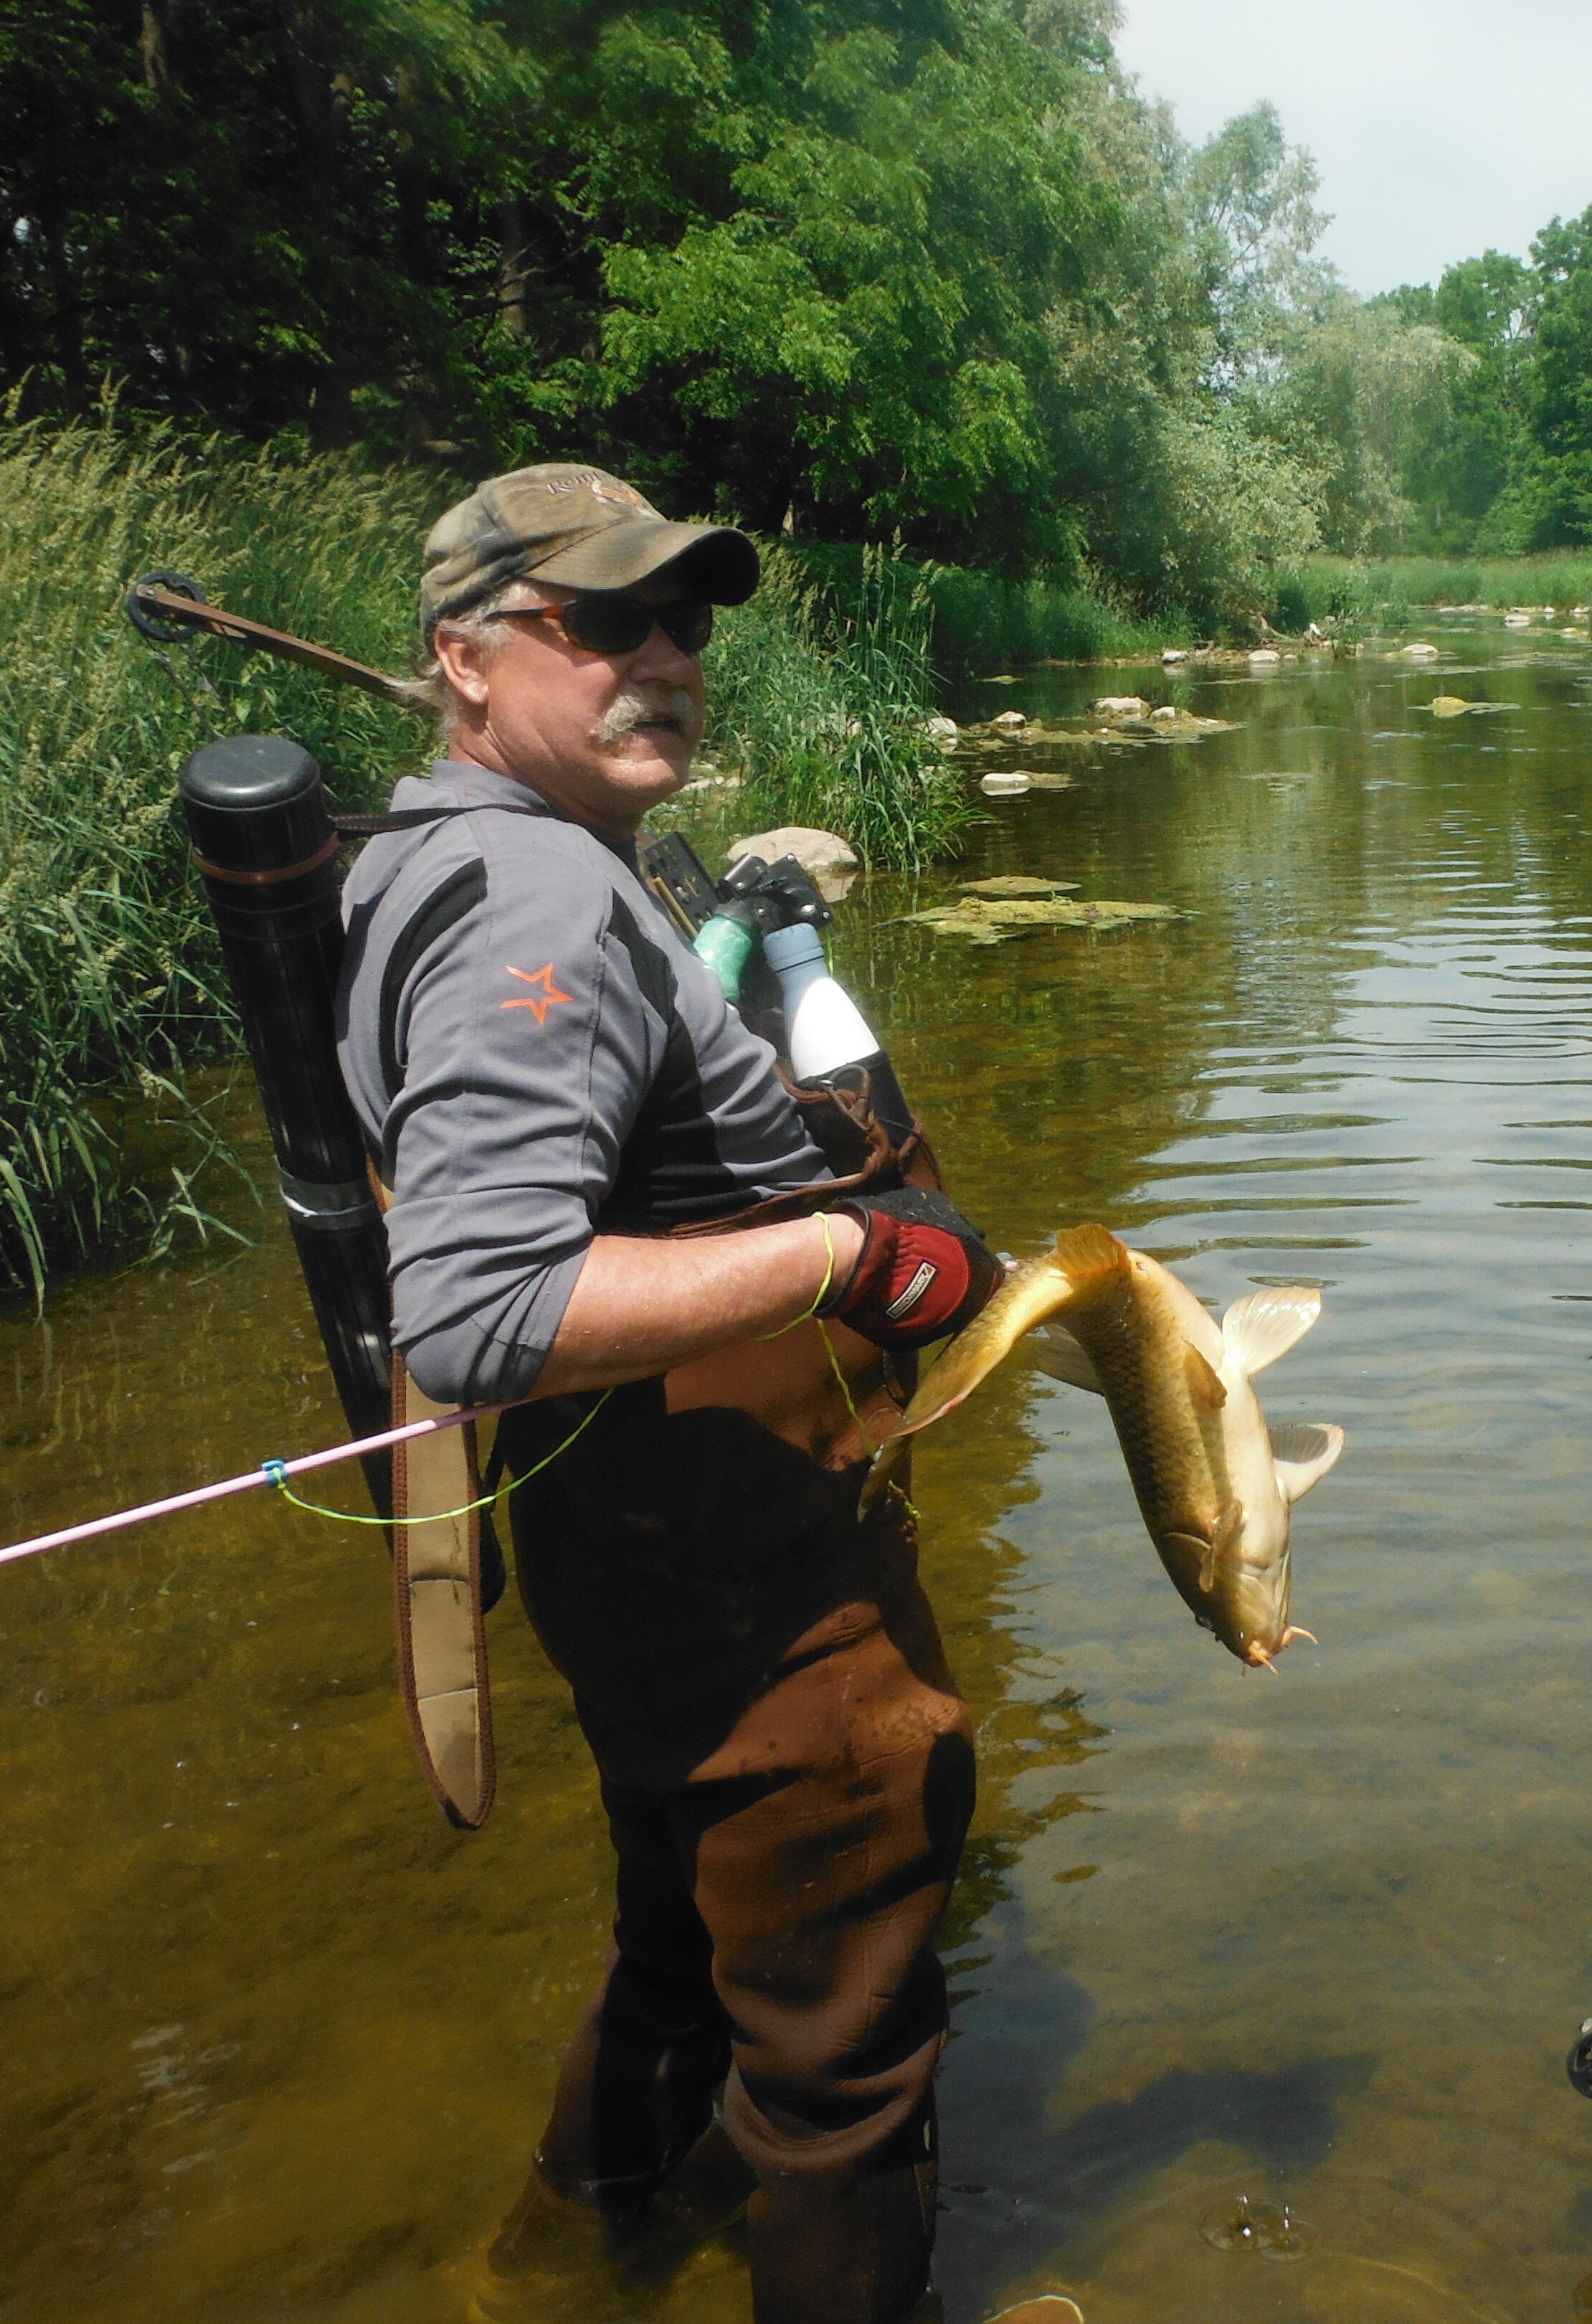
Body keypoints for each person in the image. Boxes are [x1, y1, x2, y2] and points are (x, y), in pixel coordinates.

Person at [336, 464, 1006, 2323]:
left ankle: (551, 2262)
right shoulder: (531, 909)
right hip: (735, 1574)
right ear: (463, 661)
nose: (664, 659)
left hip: (626, 1540)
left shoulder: (469, 853)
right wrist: (850, 1260)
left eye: (684, 621)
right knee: (847, 2041)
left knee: (680, 1934)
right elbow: (474, 1306)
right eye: (601, 621)